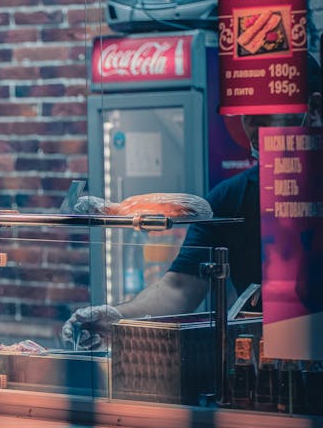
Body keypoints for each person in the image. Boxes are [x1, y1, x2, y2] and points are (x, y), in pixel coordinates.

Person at [62, 68, 322, 344]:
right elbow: (179, 289)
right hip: (276, 362)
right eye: (247, 116)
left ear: (314, 109)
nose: (254, 129)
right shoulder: (230, 197)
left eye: (268, 113)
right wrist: (118, 316)